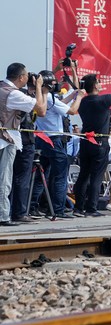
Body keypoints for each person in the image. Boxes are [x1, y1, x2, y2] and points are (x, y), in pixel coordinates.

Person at [74, 70, 111, 216]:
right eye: (98, 82)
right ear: (95, 86)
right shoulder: (101, 101)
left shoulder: (82, 101)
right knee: (96, 176)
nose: (100, 84)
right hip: (99, 142)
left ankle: (78, 207)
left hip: (85, 141)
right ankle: (91, 208)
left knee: (83, 175)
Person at [32, 71, 84, 219]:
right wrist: (79, 97)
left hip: (41, 138)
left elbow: (62, 103)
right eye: (54, 83)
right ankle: (58, 209)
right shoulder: (48, 97)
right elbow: (73, 111)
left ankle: (33, 206)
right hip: (54, 139)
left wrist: (74, 93)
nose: (56, 85)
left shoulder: (41, 97)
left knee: (41, 175)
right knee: (60, 176)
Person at [0, 63, 46, 226]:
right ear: (21, 78)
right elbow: (40, 109)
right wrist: (40, 87)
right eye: (26, 75)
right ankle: (3, 216)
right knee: (4, 179)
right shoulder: (13, 94)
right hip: (6, 140)